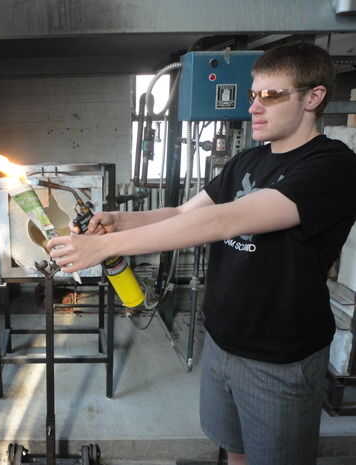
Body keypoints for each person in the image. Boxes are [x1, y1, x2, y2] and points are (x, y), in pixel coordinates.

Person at [46, 42, 356, 465]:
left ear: (313, 97)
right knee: (233, 449)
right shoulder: (247, 161)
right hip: (222, 342)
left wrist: (104, 247)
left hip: (280, 356)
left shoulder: (332, 166)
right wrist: (119, 221)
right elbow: (183, 213)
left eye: (271, 95)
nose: (254, 107)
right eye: (253, 94)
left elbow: (225, 220)